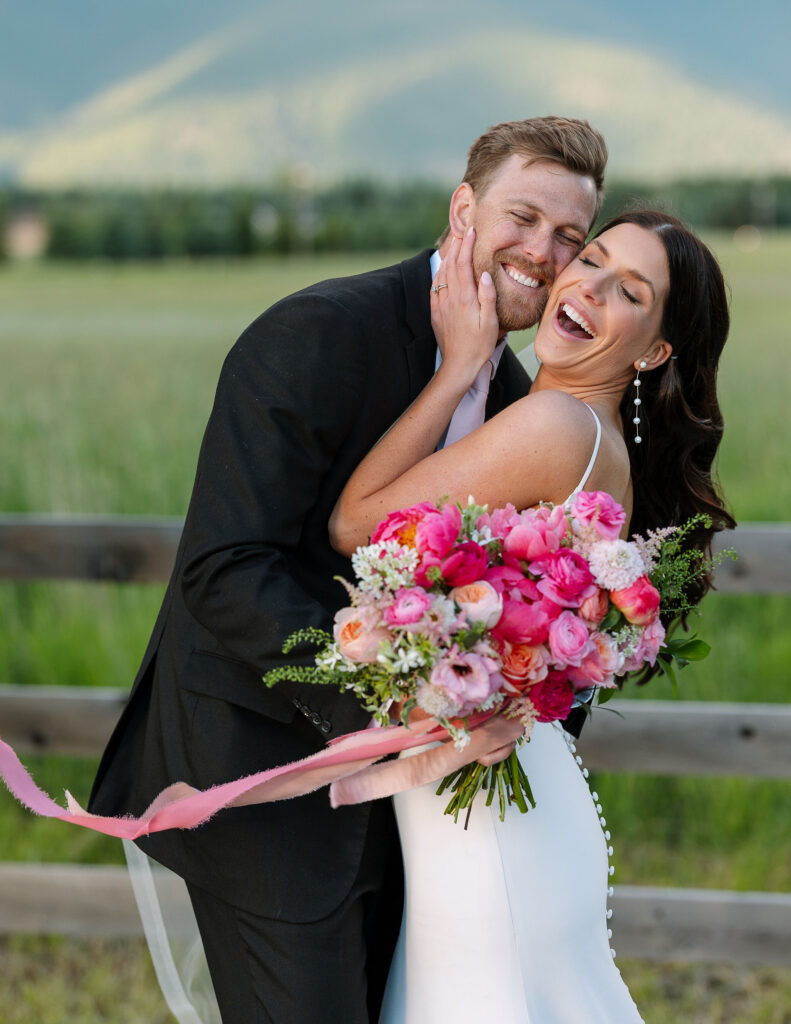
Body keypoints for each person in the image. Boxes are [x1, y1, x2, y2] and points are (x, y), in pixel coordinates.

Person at [86, 116, 608, 1024]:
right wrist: (397, 703)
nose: (542, 252)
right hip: (263, 781)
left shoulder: (525, 407)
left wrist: (520, 687)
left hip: (428, 815)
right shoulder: (316, 333)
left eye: (569, 237)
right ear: (463, 208)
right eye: (521, 217)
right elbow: (225, 569)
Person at [329, 210, 734, 1022]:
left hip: (493, 832)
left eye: (629, 290)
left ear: (653, 351)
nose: (587, 284)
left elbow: (353, 524)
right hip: (502, 794)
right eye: (589, 258)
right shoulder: (591, 434)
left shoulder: (555, 424)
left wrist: (458, 368)